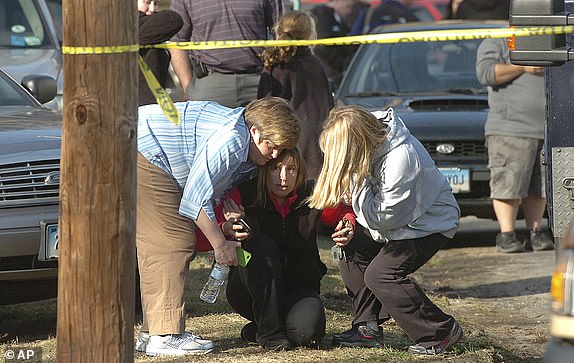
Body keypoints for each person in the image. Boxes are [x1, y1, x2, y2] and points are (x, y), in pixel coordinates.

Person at [135, 97, 300, 356]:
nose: (275, 154)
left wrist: (223, 222)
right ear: (255, 131)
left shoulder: (246, 145)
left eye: (281, 148)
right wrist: (219, 245)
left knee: (160, 242)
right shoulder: (232, 139)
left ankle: (152, 331)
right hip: (143, 147)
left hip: (138, 143)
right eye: (272, 146)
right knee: (171, 241)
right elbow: (194, 198)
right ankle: (164, 335)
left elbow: (212, 192)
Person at [308, 106, 463, 355]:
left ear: (356, 144)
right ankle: (367, 328)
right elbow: (371, 211)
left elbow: (384, 218)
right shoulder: (368, 135)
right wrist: (351, 224)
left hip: (428, 224)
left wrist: (356, 187)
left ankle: (439, 332)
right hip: (396, 221)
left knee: (381, 275)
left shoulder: (401, 159)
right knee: (350, 245)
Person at [221, 148, 355, 350]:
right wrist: (227, 227)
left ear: (300, 171)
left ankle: (259, 328)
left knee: (307, 335)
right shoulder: (244, 193)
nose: (283, 177)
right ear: (265, 170)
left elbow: (343, 211)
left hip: (298, 286)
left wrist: (348, 222)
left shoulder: (313, 195)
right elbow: (216, 214)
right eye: (276, 169)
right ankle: (269, 334)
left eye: (291, 169)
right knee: (261, 244)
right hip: (250, 289)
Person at [476, 38, 554, 253]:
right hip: (510, 129)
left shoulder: (552, 38)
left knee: (540, 187)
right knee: (507, 186)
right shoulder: (498, 41)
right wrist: (522, 65)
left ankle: (536, 232)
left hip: (547, 129)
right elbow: (486, 73)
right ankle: (507, 234)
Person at [258, 11, 334, 180]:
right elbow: (327, 107)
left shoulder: (275, 65)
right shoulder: (316, 65)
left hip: (284, 152)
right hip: (317, 147)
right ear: (309, 35)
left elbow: (262, 112)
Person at [169, 0, 283, 108]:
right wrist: (188, 87)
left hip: (259, 82)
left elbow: (282, 33)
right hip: (209, 85)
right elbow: (176, 43)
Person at [310, 0, 368, 89]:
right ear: (338, 2)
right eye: (348, 7)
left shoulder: (337, 20)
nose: (349, 11)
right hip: (330, 74)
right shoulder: (323, 18)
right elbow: (323, 47)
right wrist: (341, 64)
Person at [138, 0, 183, 106]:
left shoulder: (147, 27)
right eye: (147, 2)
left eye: (156, 4)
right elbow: (174, 19)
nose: (152, 9)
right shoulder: (130, 27)